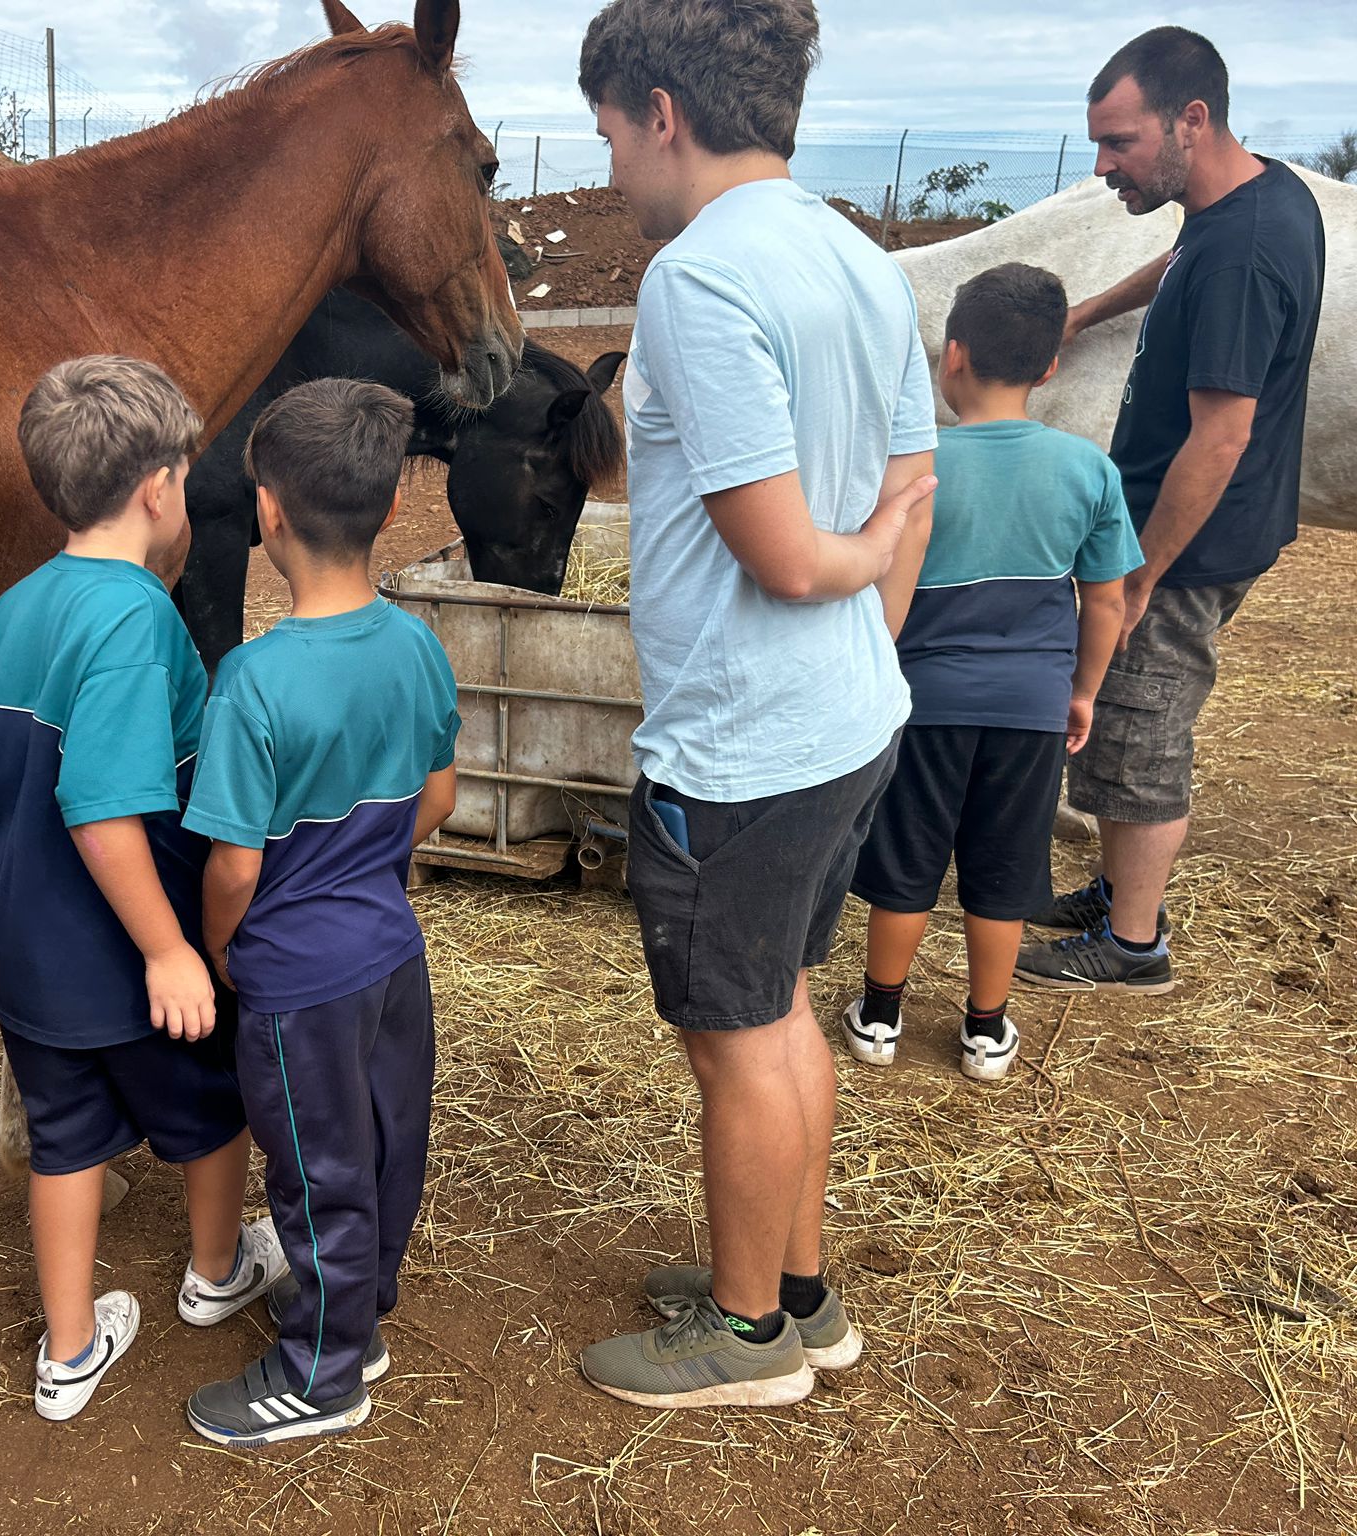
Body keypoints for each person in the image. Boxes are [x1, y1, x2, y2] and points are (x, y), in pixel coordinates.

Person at [575, 0, 940, 1410]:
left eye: (610, 131)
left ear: (661, 109)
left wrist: (835, 584)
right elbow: (917, 485)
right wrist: (867, 652)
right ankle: (798, 1291)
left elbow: (791, 552)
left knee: (735, 1038)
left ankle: (741, 1341)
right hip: (846, 719)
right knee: (780, 1007)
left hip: (740, 744)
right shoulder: (863, 257)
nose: (610, 164)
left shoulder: (698, 279)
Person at [0, 356, 285, 1424]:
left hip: (24, 940)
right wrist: (167, 948)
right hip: (124, 944)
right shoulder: (137, 616)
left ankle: (67, 1354)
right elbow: (100, 805)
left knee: (63, 1137)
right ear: (159, 488)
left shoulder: (12, 608)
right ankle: (212, 1273)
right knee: (207, 1108)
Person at [179, 378, 460, 1446]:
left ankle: (322, 1372)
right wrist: (363, 873)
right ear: (391, 509)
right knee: (387, 1145)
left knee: (311, 1174)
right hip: (391, 949)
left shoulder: (252, 683)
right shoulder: (416, 645)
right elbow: (434, 798)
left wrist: (217, 949)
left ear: (266, 511)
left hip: (297, 980)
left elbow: (234, 870)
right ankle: (362, 1308)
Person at [1018, 27, 1325, 992]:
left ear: (1191, 119)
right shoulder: (1249, 197)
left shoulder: (1245, 249)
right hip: (1183, 523)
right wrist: (1081, 314)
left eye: (1121, 142)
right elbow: (1175, 267)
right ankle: (1119, 893)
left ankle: (1135, 945)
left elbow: (1220, 438)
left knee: (1142, 720)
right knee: (1125, 712)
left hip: (1189, 541)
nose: (1103, 166)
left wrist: (1141, 574)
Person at [844, 265, 1143, 1081]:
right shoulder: (1090, 472)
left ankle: (879, 1017)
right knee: (1004, 869)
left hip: (925, 703)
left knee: (906, 863)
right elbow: (1108, 603)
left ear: (952, 358)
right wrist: (1081, 692)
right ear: (1050, 367)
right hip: (1032, 707)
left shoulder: (918, 468)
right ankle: (985, 1031)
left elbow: (879, 582)